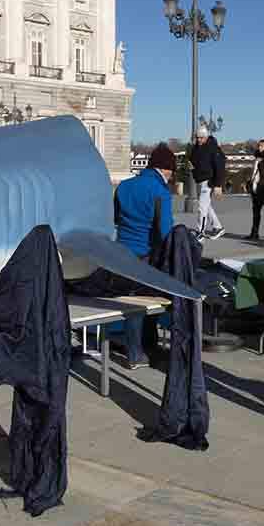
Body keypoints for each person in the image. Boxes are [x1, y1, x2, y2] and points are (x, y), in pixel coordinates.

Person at [111, 143, 176, 368]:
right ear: (165, 169)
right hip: (146, 253)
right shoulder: (161, 192)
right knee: (143, 304)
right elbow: (165, 230)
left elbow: (116, 218)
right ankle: (138, 352)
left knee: (130, 300)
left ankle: (141, 348)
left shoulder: (123, 187)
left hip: (122, 250)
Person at [189, 126, 225, 239]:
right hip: (200, 180)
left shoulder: (213, 148)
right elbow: (193, 161)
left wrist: (218, 185)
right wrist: (193, 170)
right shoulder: (196, 148)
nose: (199, 140)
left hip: (209, 181)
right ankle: (218, 227)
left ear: (206, 137)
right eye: (197, 137)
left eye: (201, 138)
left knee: (202, 207)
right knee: (206, 206)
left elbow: (219, 167)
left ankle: (200, 232)